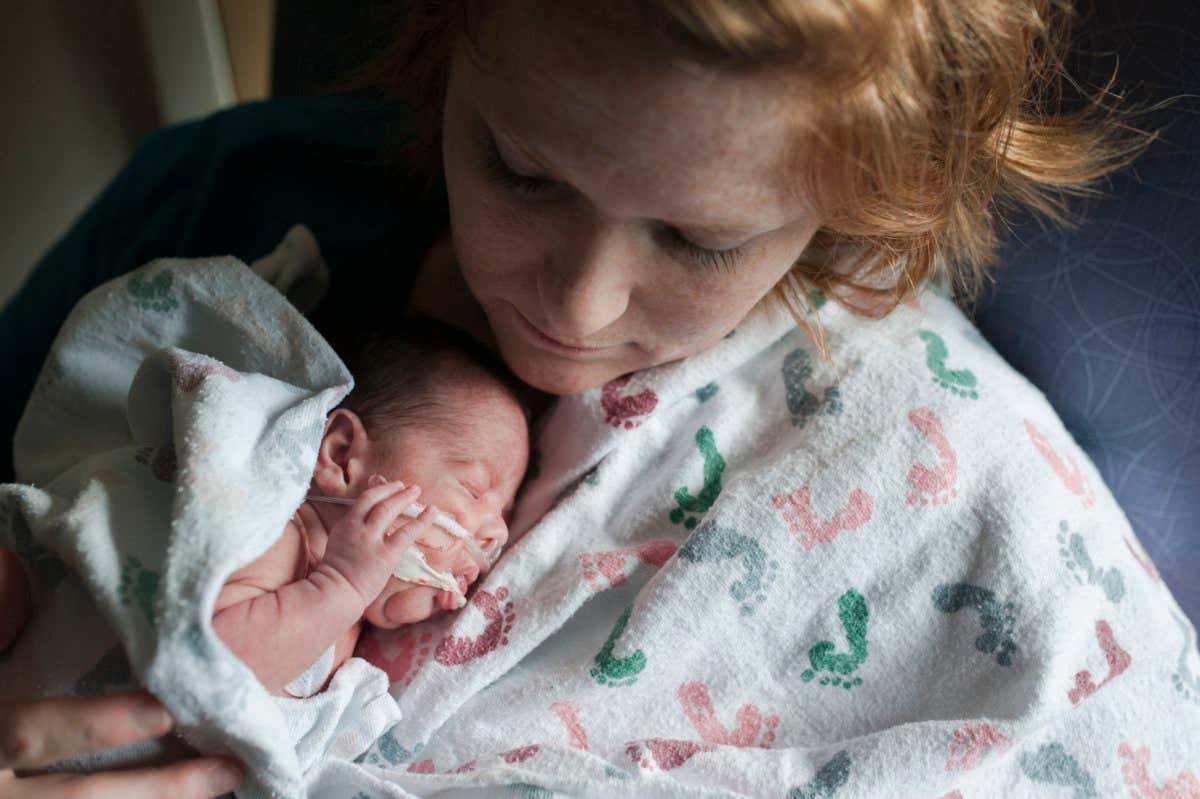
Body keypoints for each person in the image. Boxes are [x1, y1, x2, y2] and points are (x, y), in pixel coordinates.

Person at [0, 1, 1180, 796]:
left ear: (869, 196)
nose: (579, 300)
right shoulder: (212, 215)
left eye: (699, 239)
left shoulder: (925, 437)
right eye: (522, 170)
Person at [213, 321, 529, 696]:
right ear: (343, 456)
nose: (498, 533)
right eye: (473, 489)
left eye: (505, 515)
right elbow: (210, 673)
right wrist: (342, 585)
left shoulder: (354, 615)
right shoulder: (283, 541)